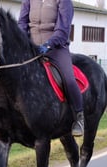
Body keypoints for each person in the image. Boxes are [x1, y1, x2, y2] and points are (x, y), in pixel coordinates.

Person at [18, 0, 84, 137]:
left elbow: (63, 29)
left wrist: (48, 45)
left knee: (69, 80)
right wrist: (23, 41)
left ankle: (79, 117)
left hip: (56, 48)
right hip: (31, 46)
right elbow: (22, 23)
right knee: (9, 72)